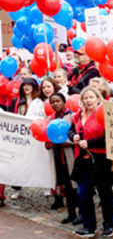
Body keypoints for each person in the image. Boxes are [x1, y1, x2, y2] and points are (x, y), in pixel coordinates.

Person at [69, 86, 113, 238]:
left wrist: (90, 143)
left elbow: (110, 137)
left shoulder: (103, 114)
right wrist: (73, 137)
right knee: (83, 193)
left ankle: (109, 224)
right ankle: (89, 226)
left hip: (100, 159)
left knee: (104, 193)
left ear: (98, 98)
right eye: (85, 98)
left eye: (91, 97)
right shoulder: (78, 115)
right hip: (82, 160)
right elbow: (70, 130)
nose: (88, 100)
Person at [45, 92, 78, 223]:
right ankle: (71, 213)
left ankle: (81, 213)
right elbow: (47, 136)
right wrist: (47, 144)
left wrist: (68, 142)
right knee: (65, 185)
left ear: (64, 102)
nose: (55, 104)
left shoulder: (72, 116)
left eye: (58, 101)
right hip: (58, 156)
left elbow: (77, 135)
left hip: (70, 156)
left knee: (75, 186)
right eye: (52, 102)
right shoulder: (49, 119)